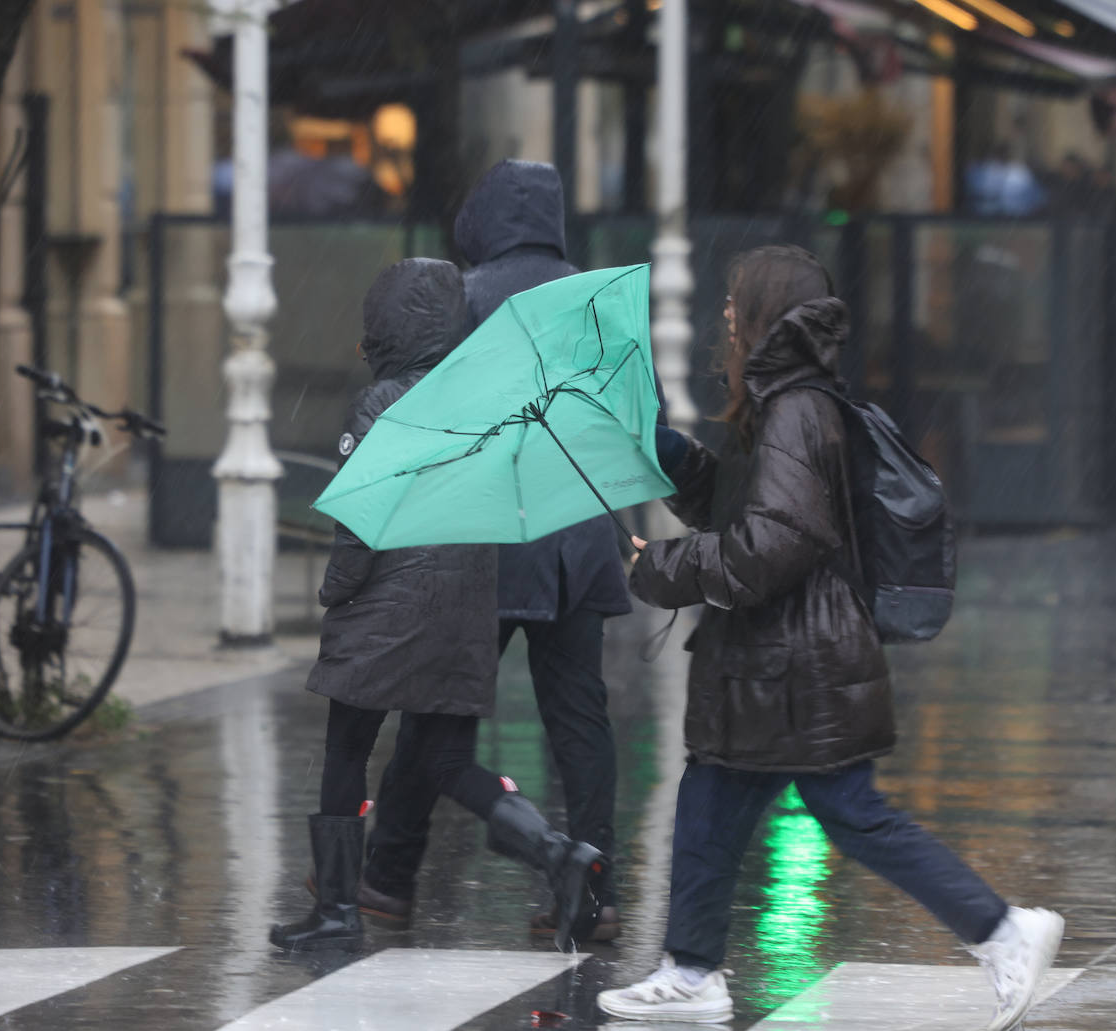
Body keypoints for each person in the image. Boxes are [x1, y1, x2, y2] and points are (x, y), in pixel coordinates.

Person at [597, 245, 1063, 1028]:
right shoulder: (782, 402)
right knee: (710, 802)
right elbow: (744, 506)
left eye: (735, 298)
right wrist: (670, 456)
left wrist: (665, 568)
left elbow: (775, 542)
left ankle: (1005, 929)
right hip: (769, 664)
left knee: (851, 813)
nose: (724, 312)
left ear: (764, 312)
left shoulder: (795, 409)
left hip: (797, 663)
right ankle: (691, 971)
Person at [269, 257, 603, 954]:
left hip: (386, 603)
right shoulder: (484, 399)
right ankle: (556, 853)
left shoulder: (382, 401)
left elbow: (361, 516)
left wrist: (336, 589)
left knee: (347, 747)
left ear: (387, 327)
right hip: (465, 607)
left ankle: (335, 907)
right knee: (447, 760)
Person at [355, 159, 631, 942]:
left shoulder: (462, 297)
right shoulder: (594, 301)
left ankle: (388, 877)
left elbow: (427, 406)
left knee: (436, 713)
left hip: (484, 541)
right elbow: (629, 417)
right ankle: (596, 885)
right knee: (581, 718)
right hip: (577, 535)